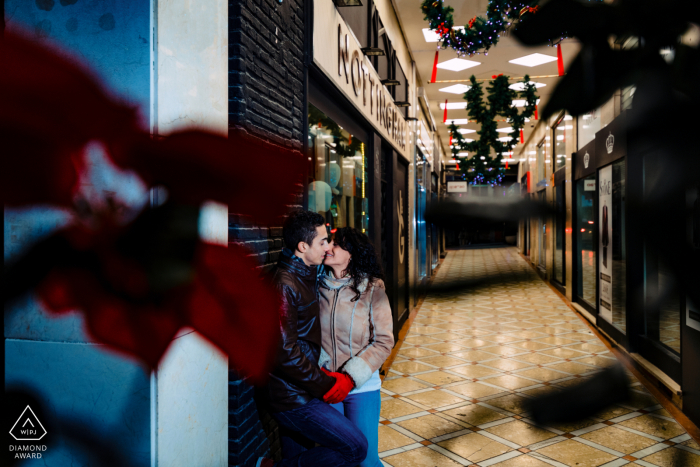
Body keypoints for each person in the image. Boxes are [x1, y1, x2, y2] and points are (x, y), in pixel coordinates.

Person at [257, 211, 368, 467]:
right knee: (355, 448)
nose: (328, 247)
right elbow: (284, 352)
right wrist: (325, 384)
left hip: (302, 388)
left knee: (299, 458)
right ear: (303, 246)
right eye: (322, 242)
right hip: (292, 397)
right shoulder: (285, 284)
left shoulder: (306, 274)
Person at [318, 227, 394, 467]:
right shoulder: (315, 286)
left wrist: (350, 378)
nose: (329, 247)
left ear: (352, 254)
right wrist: (320, 371)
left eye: (337, 245)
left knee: (366, 459)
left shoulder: (372, 289)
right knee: (336, 457)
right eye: (329, 242)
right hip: (326, 385)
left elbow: (383, 341)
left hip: (362, 387)